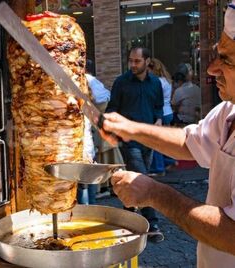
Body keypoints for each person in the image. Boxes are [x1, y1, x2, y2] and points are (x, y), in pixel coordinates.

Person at [101, 3, 235, 267]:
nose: (212, 69)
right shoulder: (228, 111)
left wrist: (156, 193)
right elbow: (190, 142)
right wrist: (129, 128)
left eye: (227, 60)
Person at [105, 47, 164, 242]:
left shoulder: (155, 83)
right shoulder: (121, 82)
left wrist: (159, 120)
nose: (132, 64)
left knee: (136, 177)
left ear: (147, 61)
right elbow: (112, 108)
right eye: (131, 60)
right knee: (142, 177)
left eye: (137, 61)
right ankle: (152, 222)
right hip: (129, 140)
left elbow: (158, 107)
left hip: (149, 138)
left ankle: (128, 214)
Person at [78, 60, 111, 205]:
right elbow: (106, 96)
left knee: (82, 183)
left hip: (82, 147)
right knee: (89, 178)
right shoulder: (88, 103)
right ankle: (92, 207)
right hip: (89, 145)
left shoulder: (78, 105)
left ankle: (86, 210)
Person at [148, 58, 175, 176]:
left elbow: (154, 99)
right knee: (165, 141)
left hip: (161, 113)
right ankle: (169, 161)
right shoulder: (167, 80)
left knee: (156, 142)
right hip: (168, 112)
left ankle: (159, 168)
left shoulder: (156, 82)